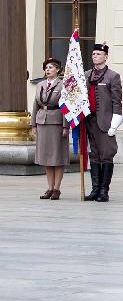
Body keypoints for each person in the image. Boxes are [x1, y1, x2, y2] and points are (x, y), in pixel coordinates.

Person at [84, 42, 123, 202]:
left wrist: (115, 124)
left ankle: (104, 190)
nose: (95, 56)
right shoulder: (86, 75)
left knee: (106, 155)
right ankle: (95, 189)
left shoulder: (112, 76)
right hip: (90, 120)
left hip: (106, 121)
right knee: (94, 155)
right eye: (93, 54)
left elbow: (117, 101)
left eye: (98, 54)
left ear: (106, 57)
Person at [31, 58, 69, 200]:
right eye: (46, 67)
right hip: (42, 122)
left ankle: (57, 188)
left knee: (57, 157)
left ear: (58, 69)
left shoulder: (63, 85)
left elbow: (66, 107)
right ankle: (49, 187)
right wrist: (33, 124)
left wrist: (66, 126)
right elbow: (35, 105)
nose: (48, 70)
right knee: (46, 157)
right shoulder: (40, 84)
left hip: (57, 122)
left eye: (51, 67)